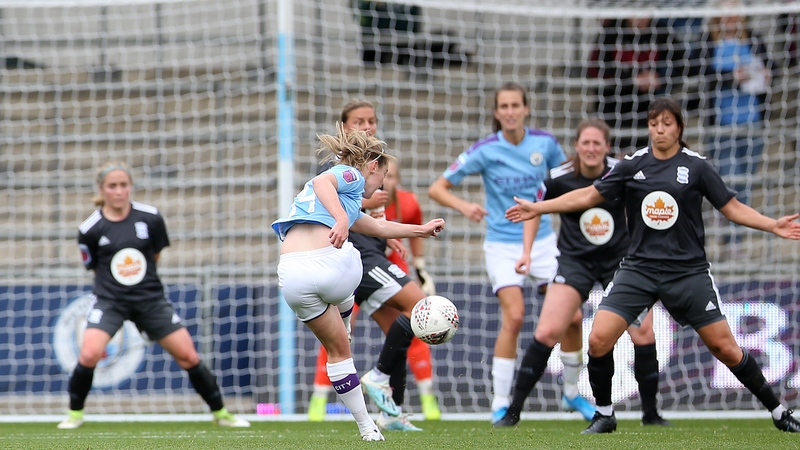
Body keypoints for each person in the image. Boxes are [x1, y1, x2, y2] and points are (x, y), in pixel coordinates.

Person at [506, 96, 800, 434]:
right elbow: (588, 196)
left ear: (679, 128)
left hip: (687, 272)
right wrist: (540, 208)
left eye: (667, 124)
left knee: (726, 348)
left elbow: (731, 207)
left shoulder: (697, 166)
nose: (659, 130)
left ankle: (778, 411)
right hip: (638, 270)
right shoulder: (631, 165)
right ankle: (604, 414)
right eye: (654, 123)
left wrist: (771, 224)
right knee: (599, 339)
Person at [428, 82, 595, 424]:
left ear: (526, 109)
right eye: (503, 106)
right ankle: (500, 403)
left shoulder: (545, 144)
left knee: (574, 318)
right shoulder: (486, 149)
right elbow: (437, 187)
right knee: (515, 317)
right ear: (496, 112)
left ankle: (573, 393)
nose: (509, 112)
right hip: (503, 244)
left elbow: (568, 181)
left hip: (545, 242)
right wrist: (465, 206)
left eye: (515, 105)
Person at [273, 124, 445, 441]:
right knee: (354, 253)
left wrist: (420, 230)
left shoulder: (345, 203)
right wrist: (340, 220)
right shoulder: (349, 175)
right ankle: (345, 313)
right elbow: (321, 180)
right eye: (382, 175)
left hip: (291, 276)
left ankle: (368, 427)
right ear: (372, 167)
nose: (380, 185)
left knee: (339, 353)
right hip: (330, 265)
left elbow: (379, 229)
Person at [494, 119, 669, 427]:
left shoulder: (622, 171)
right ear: (576, 146)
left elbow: (645, 205)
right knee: (548, 331)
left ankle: (651, 414)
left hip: (620, 263)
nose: (590, 149)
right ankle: (513, 411)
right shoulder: (558, 177)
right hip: (575, 262)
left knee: (643, 332)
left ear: (607, 147)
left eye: (596, 144)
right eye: (585, 143)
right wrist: (526, 251)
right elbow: (535, 209)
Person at [59, 162, 250, 430]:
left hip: (150, 300)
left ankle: (221, 413)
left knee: (189, 357)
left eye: (123, 185)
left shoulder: (150, 218)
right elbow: (91, 265)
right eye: (112, 186)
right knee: (89, 354)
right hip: (109, 301)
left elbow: (155, 256)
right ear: (101, 190)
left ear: (130, 187)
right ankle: (74, 415)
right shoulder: (90, 228)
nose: (119, 191)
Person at [308, 157, 442, 423]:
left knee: (398, 335)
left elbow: (376, 224)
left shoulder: (401, 199)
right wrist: (368, 205)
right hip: (363, 259)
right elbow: (326, 193)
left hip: (369, 254)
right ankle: (371, 379)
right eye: (383, 174)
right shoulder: (341, 171)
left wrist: (402, 239)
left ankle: (392, 415)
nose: (384, 181)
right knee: (420, 307)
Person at [696, 9, 774, 248]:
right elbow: (701, 72)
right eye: (726, 14)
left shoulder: (753, 38)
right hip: (721, 125)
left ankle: (735, 237)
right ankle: (728, 234)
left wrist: (767, 74)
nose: (731, 19)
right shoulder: (708, 41)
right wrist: (732, 77)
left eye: (735, 14)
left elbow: (774, 68)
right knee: (728, 177)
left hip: (752, 121)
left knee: (745, 181)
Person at [588, 16, 687, 153]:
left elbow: (683, 66)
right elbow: (594, 69)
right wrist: (632, 80)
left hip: (648, 105)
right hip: (613, 105)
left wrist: (660, 79)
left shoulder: (662, 31)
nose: (639, 19)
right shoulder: (612, 32)